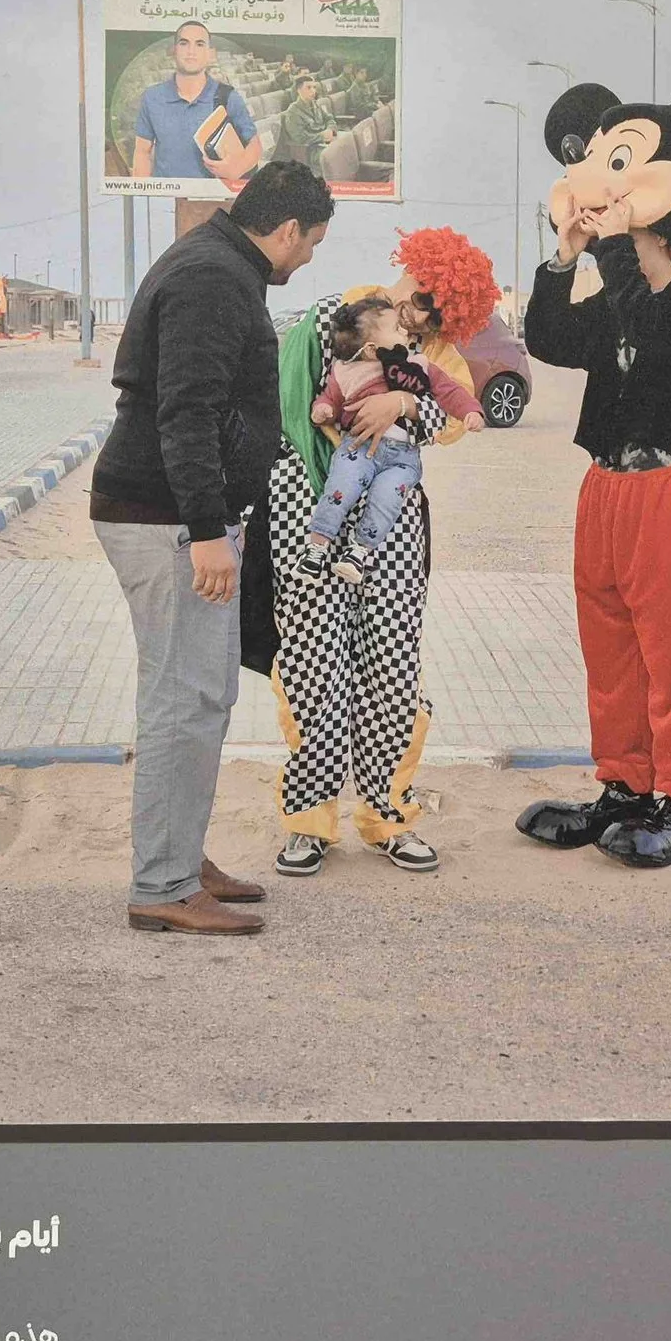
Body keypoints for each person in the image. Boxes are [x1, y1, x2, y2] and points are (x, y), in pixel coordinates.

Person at [87, 160, 335, 936]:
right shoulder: (212, 277)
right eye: (313, 243)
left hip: (183, 515)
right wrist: (204, 530)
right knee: (182, 699)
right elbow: (186, 411)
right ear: (288, 229)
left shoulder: (221, 265)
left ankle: (182, 858)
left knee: (204, 695)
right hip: (165, 517)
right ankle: (161, 882)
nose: (309, 258)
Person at [514, 65, 671, 869]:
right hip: (606, 488)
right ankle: (625, 783)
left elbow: (652, 329)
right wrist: (563, 258)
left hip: (669, 491)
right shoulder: (613, 301)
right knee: (611, 647)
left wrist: (612, 242)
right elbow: (547, 338)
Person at [264, 227, 499, 878]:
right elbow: (289, 408)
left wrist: (403, 400)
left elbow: (452, 420)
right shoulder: (327, 318)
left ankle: (387, 817)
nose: (422, 318)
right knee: (312, 670)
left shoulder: (438, 356)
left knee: (392, 673)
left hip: (390, 535)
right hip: (309, 515)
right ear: (412, 270)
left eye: (441, 315)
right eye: (422, 299)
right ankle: (309, 823)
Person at [298, 296, 484, 585]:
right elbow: (330, 398)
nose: (406, 332)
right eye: (397, 329)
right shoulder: (346, 371)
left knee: (386, 500)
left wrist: (470, 410)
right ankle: (317, 547)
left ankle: (359, 551)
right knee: (340, 488)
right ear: (372, 349)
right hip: (357, 448)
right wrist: (323, 410)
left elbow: (449, 391)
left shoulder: (418, 365)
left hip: (402, 458)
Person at [133, 20, 260, 183]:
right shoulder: (152, 97)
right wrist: (141, 192)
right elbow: (142, 152)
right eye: (184, 43)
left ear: (210, 53)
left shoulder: (228, 97)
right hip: (168, 195)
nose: (191, 51)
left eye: (199, 44)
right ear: (174, 50)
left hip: (214, 194)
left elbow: (254, 145)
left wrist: (238, 168)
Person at [276, 75, 338, 176]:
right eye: (308, 87)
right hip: (310, 150)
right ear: (299, 90)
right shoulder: (293, 112)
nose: (313, 91)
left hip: (325, 143)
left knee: (346, 147)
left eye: (314, 87)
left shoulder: (315, 104)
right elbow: (299, 138)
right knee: (337, 156)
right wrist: (322, 136)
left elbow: (329, 118)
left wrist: (330, 130)